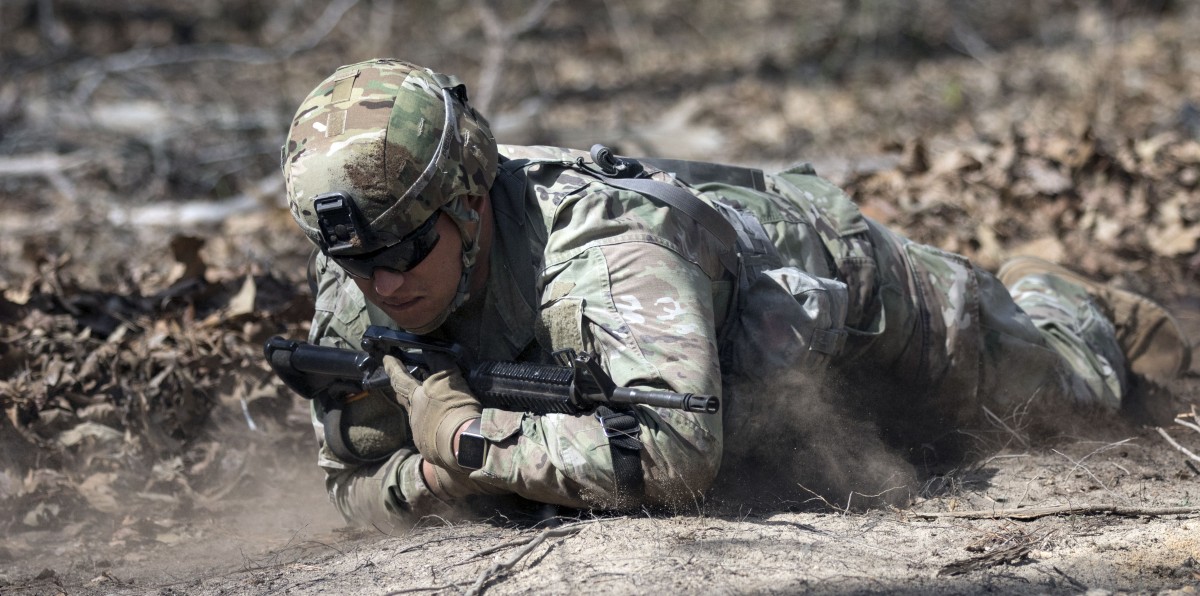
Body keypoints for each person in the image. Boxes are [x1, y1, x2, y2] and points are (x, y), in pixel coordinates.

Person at [279, 58, 1192, 525]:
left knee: (1082, 398)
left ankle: (1062, 293)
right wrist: (435, 470)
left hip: (864, 304)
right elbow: (349, 484)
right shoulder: (358, 255)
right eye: (360, 263)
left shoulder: (608, 250)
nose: (384, 281)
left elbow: (674, 457)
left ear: (471, 200)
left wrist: (468, 439)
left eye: (406, 247)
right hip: (752, 395)